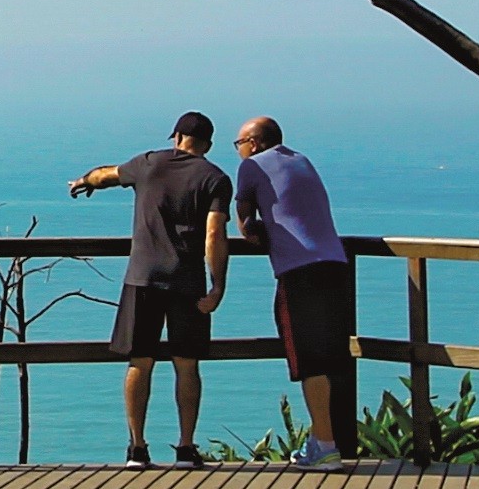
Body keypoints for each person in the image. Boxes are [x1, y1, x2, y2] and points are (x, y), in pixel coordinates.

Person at [69, 112, 233, 467]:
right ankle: (186, 447)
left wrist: (85, 180)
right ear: (207, 144)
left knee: (139, 362)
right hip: (187, 282)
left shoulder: (149, 163)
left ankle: (137, 448)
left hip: (142, 278)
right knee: (187, 366)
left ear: (176, 137)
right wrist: (218, 284)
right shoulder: (215, 179)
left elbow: (106, 175)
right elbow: (214, 235)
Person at [232, 117, 359, 465]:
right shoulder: (302, 160)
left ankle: (326, 446)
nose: (239, 151)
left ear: (254, 144)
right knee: (331, 357)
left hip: (299, 271)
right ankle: (326, 440)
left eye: (239, 144)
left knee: (309, 360)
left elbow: (245, 223)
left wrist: (256, 229)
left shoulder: (252, 167)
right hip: (335, 264)